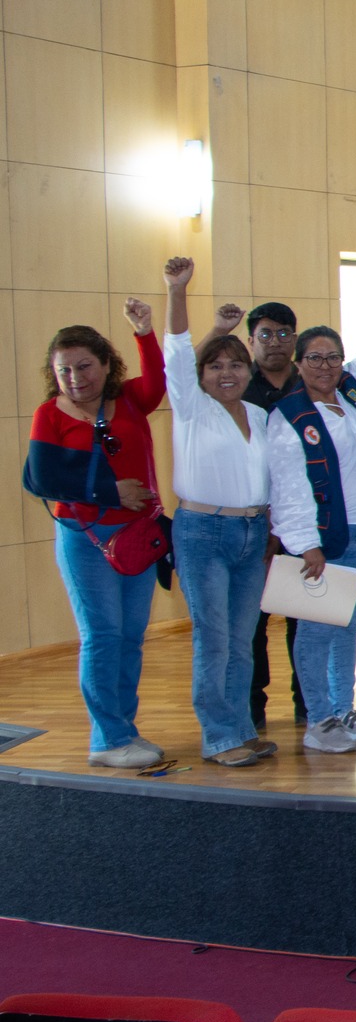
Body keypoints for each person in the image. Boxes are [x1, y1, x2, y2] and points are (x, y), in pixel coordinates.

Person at [24, 308, 167, 767]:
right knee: (102, 635)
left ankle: (124, 729)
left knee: (130, 636)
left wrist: (144, 333)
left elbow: (158, 381)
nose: (75, 378)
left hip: (137, 536)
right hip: (84, 537)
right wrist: (111, 491)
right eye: (63, 370)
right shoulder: (49, 415)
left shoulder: (128, 400)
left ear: (107, 364)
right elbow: (43, 479)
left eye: (84, 366)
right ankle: (106, 740)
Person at [160, 260, 275, 768]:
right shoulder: (191, 408)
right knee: (214, 640)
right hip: (203, 532)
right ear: (201, 375)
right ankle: (219, 736)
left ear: (249, 372)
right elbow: (176, 350)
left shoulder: (260, 415)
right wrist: (177, 291)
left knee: (242, 640)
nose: (226, 374)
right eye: (215, 366)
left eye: (236, 365)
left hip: (253, 532)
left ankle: (241, 729)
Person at [266, 327, 356, 755]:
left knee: (347, 625)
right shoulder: (289, 415)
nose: (325, 366)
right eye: (314, 358)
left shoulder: (349, 396)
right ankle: (318, 719)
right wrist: (304, 543)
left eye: (333, 357)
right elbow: (288, 486)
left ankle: (343, 709)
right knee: (316, 629)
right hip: (324, 536)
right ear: (298, 363)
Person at [240, 300, 303, 729]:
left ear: (294, 339)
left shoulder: (311, 382)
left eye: (283, 334)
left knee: (305, 617)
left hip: (301, 520)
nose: (275, 342)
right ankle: (251, 708)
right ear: (251, 341)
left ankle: (308, 703)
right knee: (251, 622)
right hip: (253, 519)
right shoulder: (237, 387)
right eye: (265, 334)